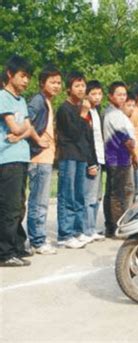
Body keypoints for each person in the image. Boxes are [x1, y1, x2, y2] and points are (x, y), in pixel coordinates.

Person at [56, 71, 98, 249]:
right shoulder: (65, 109)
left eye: (83, 85)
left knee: (79, 195)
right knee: (68, 195)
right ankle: (65, 234)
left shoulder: (82, 108)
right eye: (77, 86)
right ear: (68, 89)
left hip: (81, 156)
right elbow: (73, 133)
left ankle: (78, 231)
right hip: (68, 156)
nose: (81, 89)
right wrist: (83, 114)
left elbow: (87, 137)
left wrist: (91, 160)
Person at [0, 55, 34, 267]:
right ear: (10, 75)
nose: (25, 81)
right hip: (8, 159)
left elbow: (27, 129)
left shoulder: (21, 101)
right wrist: (22, 131)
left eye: (28, 77)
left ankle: (17, 245)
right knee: (9, 207)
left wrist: (21, 133)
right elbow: (15, 127)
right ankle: (5, 252)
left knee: (20, 205)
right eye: (22, 76)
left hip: (21, 156)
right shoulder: (3, 97)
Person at [26, 65, 62, 255]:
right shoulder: (38, 102)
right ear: (42, 83)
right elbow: (27, 123)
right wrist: (38, 140)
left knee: (41, 200)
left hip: (46, 158)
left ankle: (37, 236)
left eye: (58, 82)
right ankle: (37, 241)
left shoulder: (46, 101)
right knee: (38, 201)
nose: (56, 86)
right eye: (52, 82)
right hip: (39, 158)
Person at [103, 82, 136, 238]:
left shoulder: (115, 112)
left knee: (112, 193)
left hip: (116, 158)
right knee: (118, 195)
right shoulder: (113, 114)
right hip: (118, 158)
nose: (122, 97)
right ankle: (116, 227)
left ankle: (111, 226)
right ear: (110, 96)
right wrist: (134, 153)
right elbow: (127, 140)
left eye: (124, 94)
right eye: (118, 94)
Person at [83, 80, 106, 241]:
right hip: (91, 158)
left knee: (97, 195)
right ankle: (86, 229)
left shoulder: (97, 110)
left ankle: (91, 228)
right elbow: (85, 139)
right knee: (89, 196)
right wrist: (90, 161)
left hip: (100, 157)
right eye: (93, 94)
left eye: (99, 93)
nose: (97, 97)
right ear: (87, 95)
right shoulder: (85, 112)